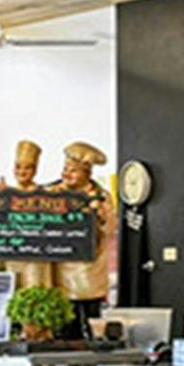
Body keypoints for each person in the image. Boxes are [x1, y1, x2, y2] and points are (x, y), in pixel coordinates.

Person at [53, 141, 114, 332]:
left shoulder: (101, 196)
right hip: (61, 270)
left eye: (73, 171)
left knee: (91, 323)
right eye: (65, 169)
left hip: (90, 271)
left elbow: (109, 228)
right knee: (64, 325)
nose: (66, 174)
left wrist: (99, 214)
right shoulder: (52, 193)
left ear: (86, 173)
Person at [0, 139, 53, 292]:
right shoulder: (7, 193)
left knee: (36, 290)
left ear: (35, 170)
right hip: (13, 254)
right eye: (18, 167)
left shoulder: (46, 194)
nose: (22, 172)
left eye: (27, 168)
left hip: (36, 256)